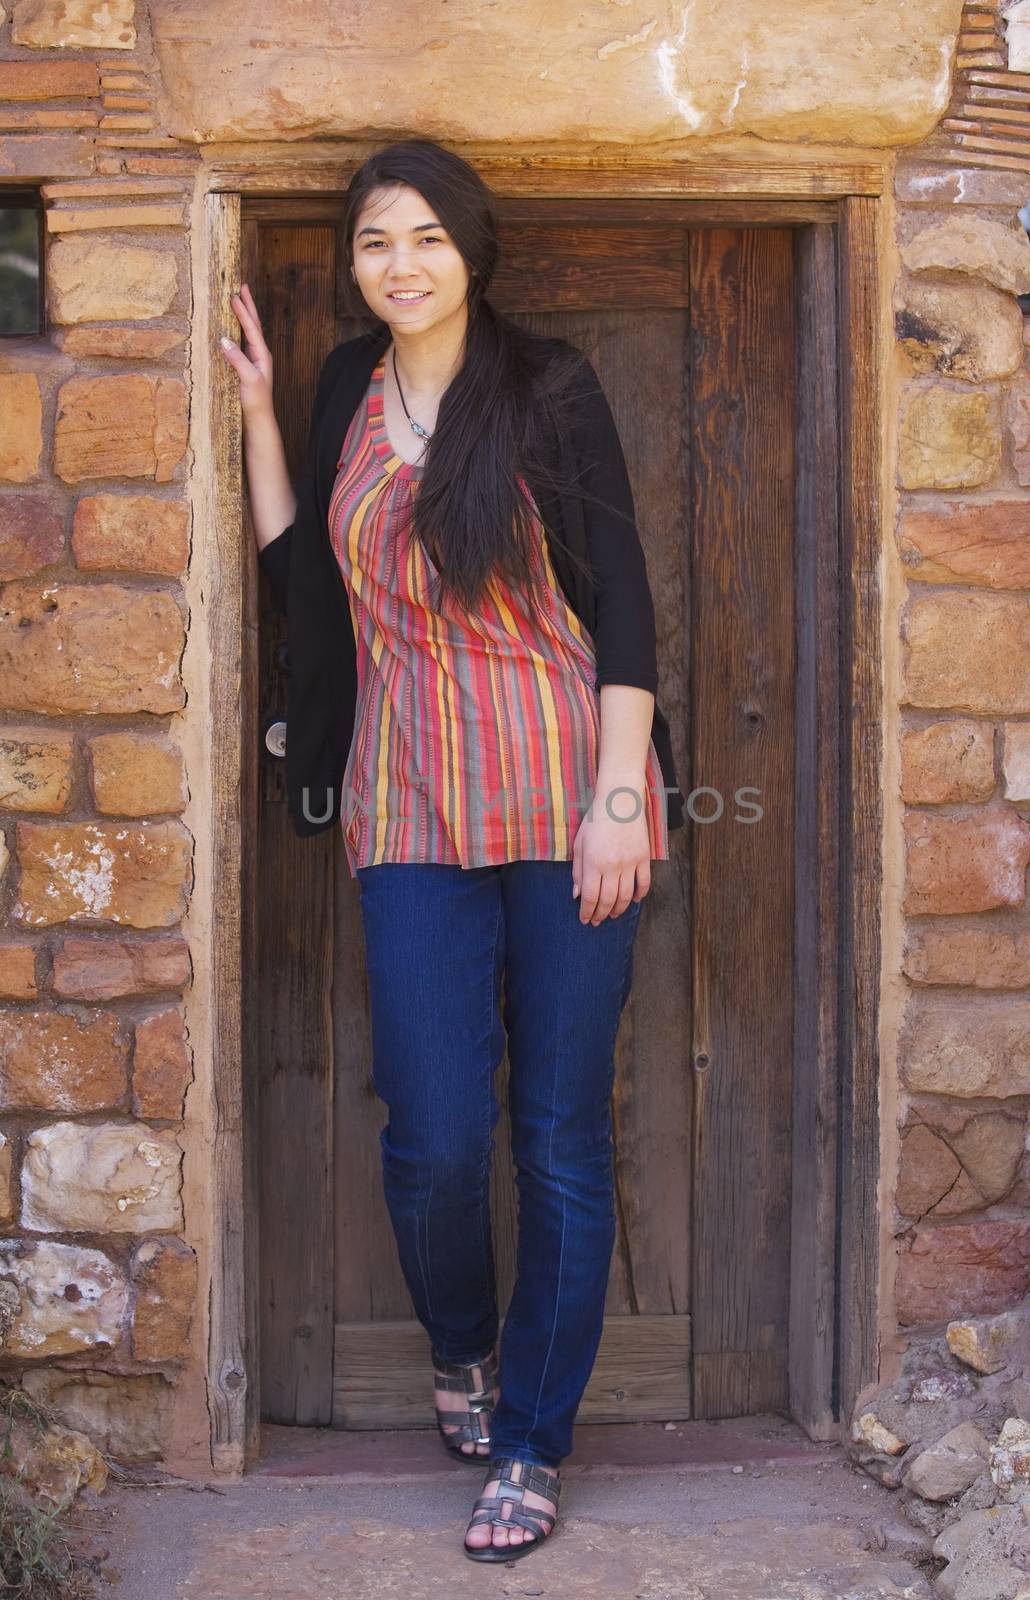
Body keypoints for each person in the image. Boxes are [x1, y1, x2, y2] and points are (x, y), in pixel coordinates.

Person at [221, 136, 684, 1564]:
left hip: (563, 804)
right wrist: (254, 415)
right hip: (406, 805)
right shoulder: (347, 388)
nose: (400, 264)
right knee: (428, 1137)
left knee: (555, 1135)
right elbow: (309, 583)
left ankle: (534, 1444)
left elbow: (623, 604)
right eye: (374, 242)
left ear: (471, 250)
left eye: (424, 237)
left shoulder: (545, 388)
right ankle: (464, 1355)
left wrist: (623, 793)